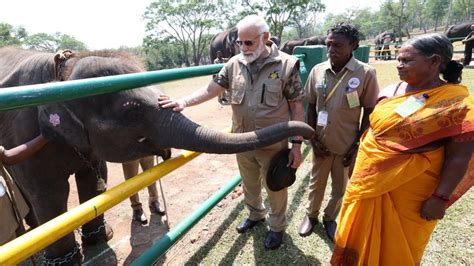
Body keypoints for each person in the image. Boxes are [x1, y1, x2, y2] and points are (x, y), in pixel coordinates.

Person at [158, 15, 305, 250]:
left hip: (273, 144)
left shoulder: (286, 65)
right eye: (240, 42)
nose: (243, 48)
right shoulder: (234, 64)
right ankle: (255, 215)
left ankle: (277, 227)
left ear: (265, 37)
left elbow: (297, 105)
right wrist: (183, 102)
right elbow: (211, 88)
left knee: (276, 187)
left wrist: (296, 145)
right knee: (249, 184)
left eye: (249, 42)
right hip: (240, 142)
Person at [331, 33, 473, 264]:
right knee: (356, 236)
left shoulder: (456, 104)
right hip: (367, 181)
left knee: (397, 249)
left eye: (407, 60)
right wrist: (358, 158)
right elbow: (372, 130)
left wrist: (440, 198)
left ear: (434, 61)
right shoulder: (390, 90)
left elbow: (459, 158)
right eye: (398, 59)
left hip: (410, 196)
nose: (399, 65)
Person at [298, 22, 379, 241]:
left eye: (338, 45)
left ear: (353, 45)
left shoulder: (366, 73)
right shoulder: (318, 71)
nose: (331, 49)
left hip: (347, 145)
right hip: (321, 142)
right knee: (316, 183)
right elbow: (312, 108)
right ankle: (311, 216)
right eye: (329, 44)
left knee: (340, 186)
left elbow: (370, 111)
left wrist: (357, 145)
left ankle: (329, 218)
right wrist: (312, 138)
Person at [1, 135, 49, 245]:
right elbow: (8, 157)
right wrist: (45, 137)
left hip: (10, 213)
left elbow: (7, 156)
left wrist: (44, 137)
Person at [122, 154, 169, 225]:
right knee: (131, 179)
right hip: (129, 148)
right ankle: (136, 208)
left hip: (146, 146)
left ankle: (154, 201)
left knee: (151, 174)